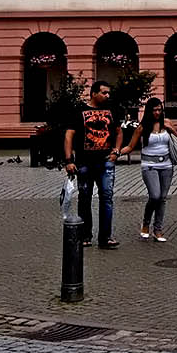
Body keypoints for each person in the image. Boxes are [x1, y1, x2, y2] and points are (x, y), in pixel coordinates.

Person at [64, 81, 120, 249]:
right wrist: (69, 160)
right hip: (84, 162)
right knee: (85, 199)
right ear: (94, 93)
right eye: (104, 92)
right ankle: (85, 236)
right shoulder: (79, 111)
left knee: (107, 199)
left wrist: (116, 151)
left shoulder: (112, 110)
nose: (107, 96)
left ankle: (105, 237)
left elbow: (118, 132)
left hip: (105, 162)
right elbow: (69, 136)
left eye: (108, 93)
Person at [119, 97, 177, 242]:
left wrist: (171, 130)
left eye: (159, 109)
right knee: (155, 196)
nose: (157, 112)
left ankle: (158, 230)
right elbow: (130, 146)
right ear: (149, 111)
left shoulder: (167, 123)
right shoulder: (142, 127)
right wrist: (117, 152)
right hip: (149, 165)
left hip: (166, 165)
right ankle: (146, 223)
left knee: (162, 198)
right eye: (154, 110)